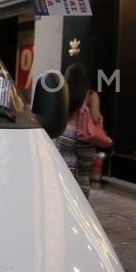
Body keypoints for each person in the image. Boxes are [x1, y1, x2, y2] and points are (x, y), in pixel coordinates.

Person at [57, 63, 102, 199]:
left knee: (67, 175)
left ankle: (67, 204)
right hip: (86, 139)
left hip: (66, 135)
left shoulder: (64, 91)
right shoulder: (92, 95)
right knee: (84, 176)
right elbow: (95, 117)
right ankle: (82, 208)